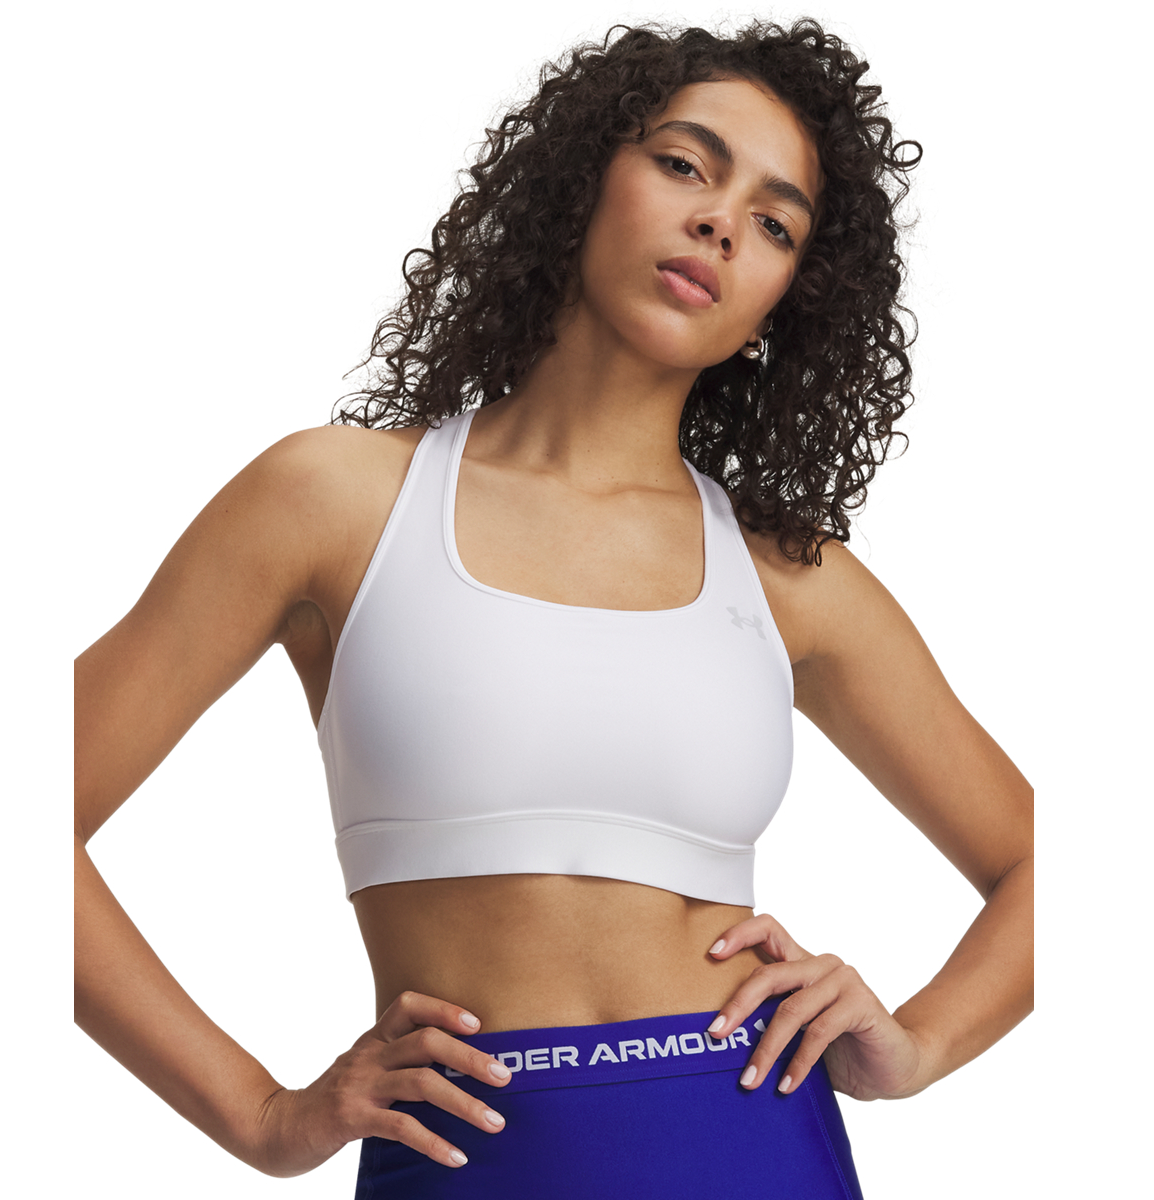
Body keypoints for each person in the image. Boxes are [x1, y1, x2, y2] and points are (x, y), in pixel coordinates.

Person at [74, 17, 1033, 1199]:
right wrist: (261, 1116)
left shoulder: (789, 578)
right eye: (684, 164)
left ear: (785, 301)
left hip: (751, 1145)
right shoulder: (333, 501)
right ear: (582, 176)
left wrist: (919, 1045)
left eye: (776, 224)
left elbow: (1047, 864)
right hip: (468, 1160)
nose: (721, 223)